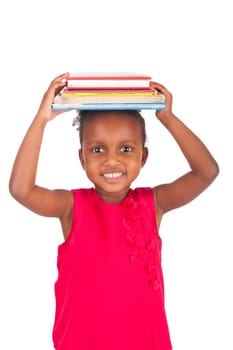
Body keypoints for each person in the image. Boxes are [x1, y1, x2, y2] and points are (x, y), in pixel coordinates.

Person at [9, 73, 219, 350]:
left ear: (143, 157)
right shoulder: (70, 206)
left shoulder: (153, 203)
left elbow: (207, 172)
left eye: (126, 149)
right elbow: (21, 190)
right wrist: (41, 120)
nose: (112, 160)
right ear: (82, 157)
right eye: (97, 149)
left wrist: (168, 118)